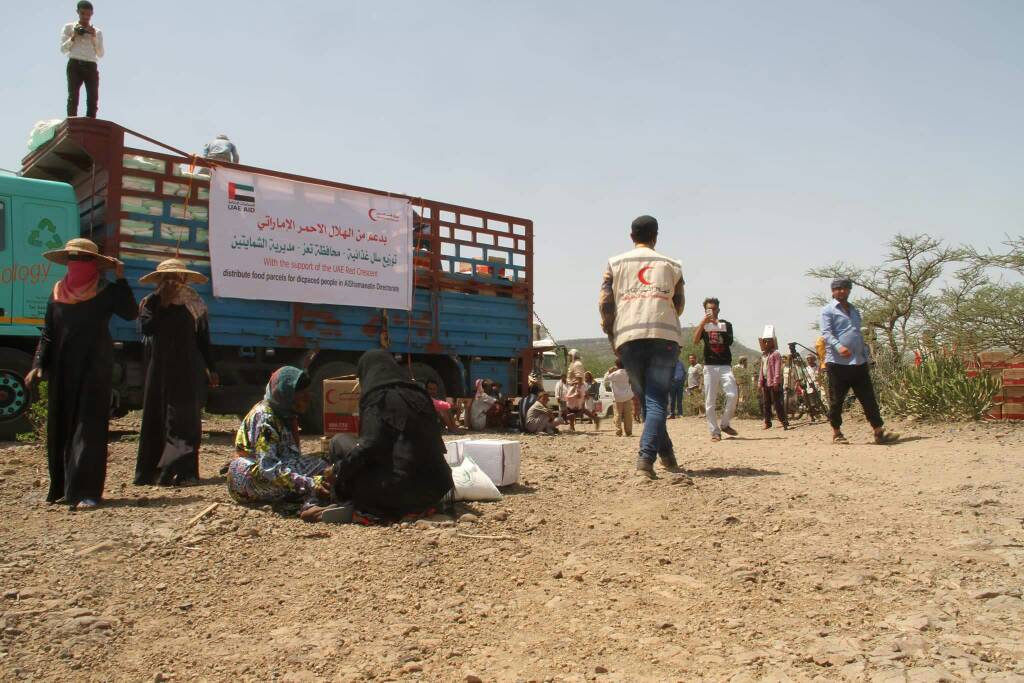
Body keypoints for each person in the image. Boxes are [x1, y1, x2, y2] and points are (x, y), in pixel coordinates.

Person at [26, 238, 136, 509]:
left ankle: (87, 491)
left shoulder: (106, 290)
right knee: (59, 427)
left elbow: (131, 313)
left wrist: (122, 280)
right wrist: (38, 363)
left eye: (84, 260)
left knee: (89, 428)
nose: (78, 264)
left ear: (94, 264)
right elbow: (48, 332)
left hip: (94, 367)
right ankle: (61, 488)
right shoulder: (56, 292)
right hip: (62, 368)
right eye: (73, 259)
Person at [599, 215, 685, 479]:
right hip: (664, 336)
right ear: (656, 236)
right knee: (657, 400)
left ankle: (668, 458)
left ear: (631, 237)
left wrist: (613, 335)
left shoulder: (614, 263)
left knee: (650, 400)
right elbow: (679, 304)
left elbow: (605, 304)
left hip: (629, 337)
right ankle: (646, 460)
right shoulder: (672, 265)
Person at [329, 350, 454, 523]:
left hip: (397, 495)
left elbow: (369, 445)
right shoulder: (421, 395)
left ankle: (344, 497)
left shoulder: (378, 396)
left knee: (339, 441)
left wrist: (338, 474)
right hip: (436, 488)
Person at [134, 259, 218, 487]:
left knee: (184, 421)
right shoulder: (151, 302)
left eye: (177, 278)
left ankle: (183, 472)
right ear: (160, 280)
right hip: (160, 369)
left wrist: (211, 368)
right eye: (167, 278)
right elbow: (146, 328)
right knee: (158, 418)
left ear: (184, 279)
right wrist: (164, 304)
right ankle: (154, 472)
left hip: (187, 369)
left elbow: (203, 339)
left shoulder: (195, 304)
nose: (173, 282)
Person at [227, 367, 332, 508]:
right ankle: (310, 503)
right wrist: (310, 483)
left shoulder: (284, 413)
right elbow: (268, 469)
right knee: (322, 468)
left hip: (270, 471)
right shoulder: (266, 419)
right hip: (250, 481)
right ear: (286, 394)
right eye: (302, 394)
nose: (308, 398)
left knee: (326, 460)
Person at [820, 278, 899, 445]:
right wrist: (839, 346)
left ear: (849, 290)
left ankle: (878, 432)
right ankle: (837, 433)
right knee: (837, 400)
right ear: (832, 291)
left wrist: (866, 356)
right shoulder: (828, 310)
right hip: (837, 363)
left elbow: (857, 334)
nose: (841, 291)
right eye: (838, 289)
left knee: (868, 398)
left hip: (858, 362)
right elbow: (826, 333)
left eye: (845, 288)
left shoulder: (855, 311)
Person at [692, 297, 739, 441]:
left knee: (732, 394)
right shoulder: (703, 326)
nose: (711, 311)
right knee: (710, 401)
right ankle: (715, 432)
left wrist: (718, 326)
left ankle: (725, 424)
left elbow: (729, 341)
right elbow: (695, 341)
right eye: (708, 309)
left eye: (714, 308)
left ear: (718, 309)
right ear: (705, 310)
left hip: (725, 365)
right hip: (710, 365)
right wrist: (703, 323)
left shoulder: (726, 324)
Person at [61, 1, 104, 119]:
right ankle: (72, 121)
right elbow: (63, 49)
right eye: (83, 13)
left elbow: (100, 53)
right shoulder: (69, 27)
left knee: (93, 97)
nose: (85, 17)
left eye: (88, 14)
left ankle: (91, 122)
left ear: (92, 14)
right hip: (75, 64)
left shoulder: (97, 32)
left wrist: (93, 36)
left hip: (90, 65)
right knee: (73, 96)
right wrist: (74, 36)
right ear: (77, 12)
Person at [756, 329, 788, 430]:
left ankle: (784, 421)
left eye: (768, 341)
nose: (766, 343)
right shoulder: (764, 355)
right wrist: (760, 382)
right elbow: (762, 369)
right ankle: (767, 422)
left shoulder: (776, 354)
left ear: (772, 342)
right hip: (765, 381)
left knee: (777, 402)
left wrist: (776, 381)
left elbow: (777, 368)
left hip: (773, 382)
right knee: (766, 403)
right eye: (765, 341)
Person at [564, 350, 600, 430]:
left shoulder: (577, 364)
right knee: (575, 408)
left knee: (572, 408)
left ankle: (572, 425)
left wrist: (577, 391)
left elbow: (579, 377)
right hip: (573, 387)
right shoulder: (574, 364)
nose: (569, 357)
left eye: (570, 356)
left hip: (576, 387)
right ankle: (573, 426)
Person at [605, 360, 635, 437]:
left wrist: (609, 371)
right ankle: (628, 431)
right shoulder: (628, 372)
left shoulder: (615, 374)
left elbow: (606, 379)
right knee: (628, 414)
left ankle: (618, 431)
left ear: (617, 365)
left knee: (618, 414)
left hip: (617, 397)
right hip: (627, 396)